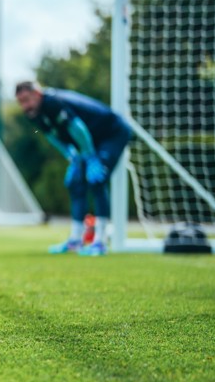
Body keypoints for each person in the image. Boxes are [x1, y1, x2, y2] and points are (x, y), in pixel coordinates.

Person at [15, 81, 132, 256]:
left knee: (97, 179)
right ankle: (75, 240)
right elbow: (50, 135)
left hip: (111, 133)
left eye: (27, 99)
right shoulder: (33, 113)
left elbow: (78, 128)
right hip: (88, 140)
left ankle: (100, 241)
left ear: (37, 93)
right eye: (20, 102)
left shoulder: (52, 102)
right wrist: (72, 156)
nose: (25, 105)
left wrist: (90, 157)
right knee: (74, 183)